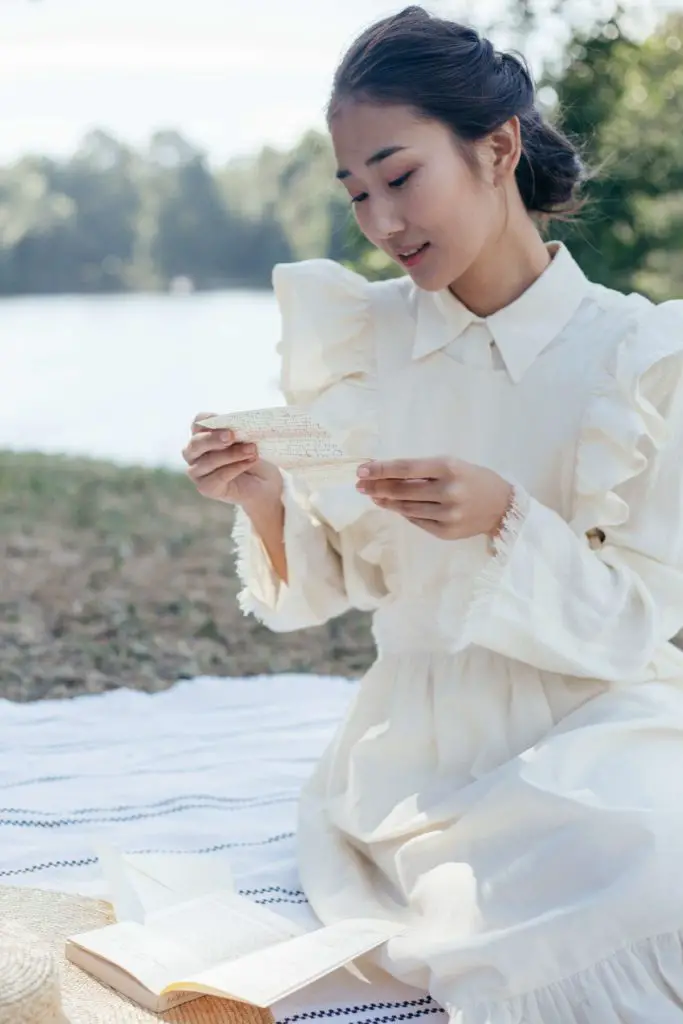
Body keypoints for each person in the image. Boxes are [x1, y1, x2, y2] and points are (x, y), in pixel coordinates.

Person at [182, 6, 683, 1021]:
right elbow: (332, 588)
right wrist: (267, 498)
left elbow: (641, 618)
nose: (378, 221)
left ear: (496, 148)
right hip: (419, 747)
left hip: (599, 722)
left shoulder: (636, 360)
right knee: (533, 895)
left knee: (650, 868)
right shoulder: (359, 343)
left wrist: (507, 519)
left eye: (399, 176)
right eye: (356, 191)